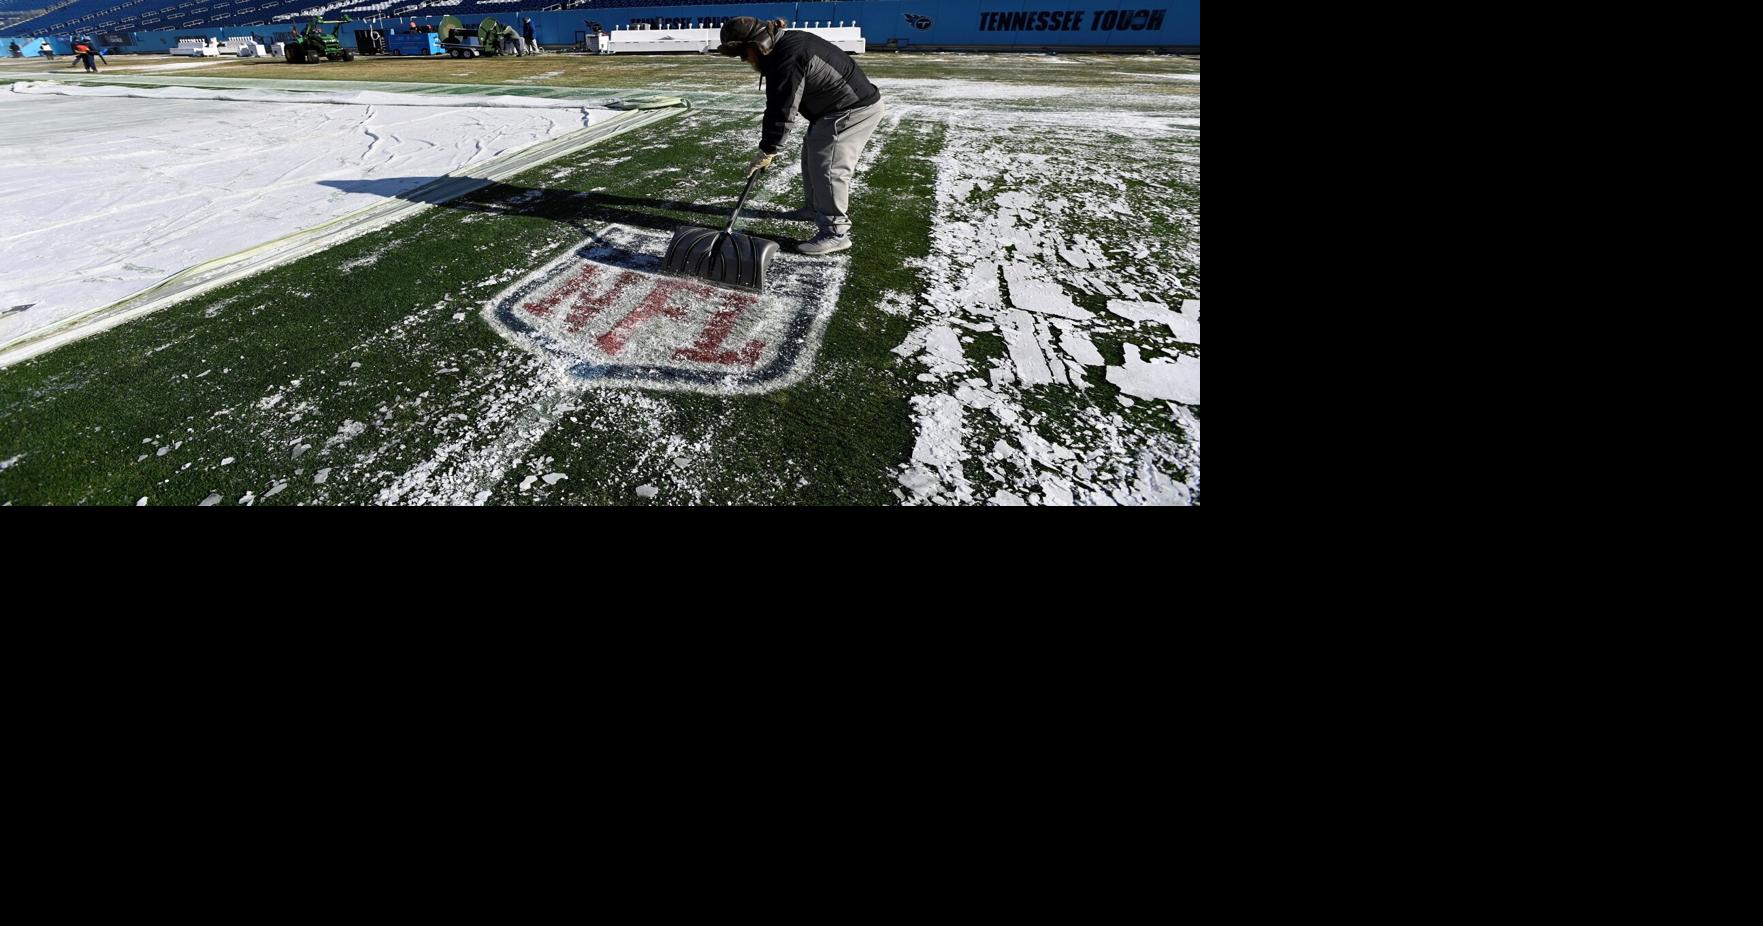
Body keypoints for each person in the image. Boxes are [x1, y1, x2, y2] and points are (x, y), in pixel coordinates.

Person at [717, 16, 883, 255]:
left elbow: (782, 109)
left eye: (744, 52)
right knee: (813, 156)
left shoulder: (787, 56)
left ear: (759, 43)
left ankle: (836, 232)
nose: (744, 59)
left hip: (852, 110)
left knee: (829, 166)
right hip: (831, 110)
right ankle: (813, 209)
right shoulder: (782, 48)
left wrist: (768, 149)